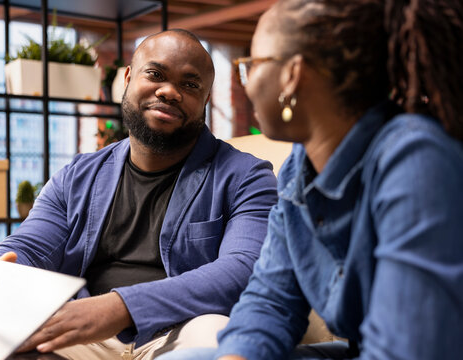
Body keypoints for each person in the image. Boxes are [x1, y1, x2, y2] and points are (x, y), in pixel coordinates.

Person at [0, 29, 278, 359]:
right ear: (128, 78)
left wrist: (122, 307)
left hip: (182, 329)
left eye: (190, 84)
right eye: (155, 74)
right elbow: (30, 247)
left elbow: (243, 269)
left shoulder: (247, 175)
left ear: (205, 99)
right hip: (82, 331)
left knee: (217, 336)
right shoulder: (77, 175)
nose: (170, 91)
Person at [157, 1, 463, 359]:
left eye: (252, 65)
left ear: (292, 75)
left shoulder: (414, 159)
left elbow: (408, 348)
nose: (248, 83)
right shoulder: (299, 167)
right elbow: (271, 299)